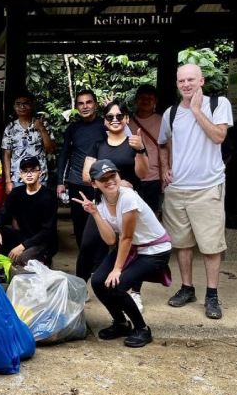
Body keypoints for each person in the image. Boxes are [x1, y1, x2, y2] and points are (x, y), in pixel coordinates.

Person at [158, 64, 233, 319]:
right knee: (182, 243)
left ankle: (212, 295)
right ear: (177, 84)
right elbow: (162, 144)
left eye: (191, 79)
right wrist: (165, 169)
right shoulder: (170, 113)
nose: (186, 84)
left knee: (211, 245)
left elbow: (219, 136)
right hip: (177, 188)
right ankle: (187, 288)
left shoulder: (218, 104)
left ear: (201, 81)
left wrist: (197, 110)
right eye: (182, 81)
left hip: (208, 187)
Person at [73, 159, 172, 348]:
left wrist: (117, 269)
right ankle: (121, 324)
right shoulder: (100, 201)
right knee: (97, 281)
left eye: (113, 175)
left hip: (154, 250)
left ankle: (142, 329)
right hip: (133, 247)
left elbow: (126, 237)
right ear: (94, 184)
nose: (110, 181)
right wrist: (95, 213)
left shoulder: (128, 198)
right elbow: (110, 239)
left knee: (116, 286)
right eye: (103, 179)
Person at [80, 100, 149, 308]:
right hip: (103, 203)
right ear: (105, 121)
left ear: (126, 118)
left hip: (129, 204)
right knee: (88, 245)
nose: (115, 120)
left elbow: (142, 173)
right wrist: (117, 183)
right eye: (110, 117)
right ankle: (79, 288)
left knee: (134, 246)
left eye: (119, 116)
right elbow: (86, 175)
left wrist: (140, 150)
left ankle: (135, 292)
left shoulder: (134, 143)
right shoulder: (98, 145)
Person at [56, 90, 107, 250]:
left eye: (88, 102)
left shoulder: (105, 125)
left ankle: (100, 260)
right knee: (79, 225)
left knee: (101, 222)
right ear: (77, 107)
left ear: (96, 105)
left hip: (100, 183)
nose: (85, 106)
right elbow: (64, 155)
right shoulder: (73, 128)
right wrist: (60, 182)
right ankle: (84, 256)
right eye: (81, 103)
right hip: (76, 182)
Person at [0, 156, 57, 270]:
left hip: (43, 242)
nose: (29, 174)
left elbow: (47, 231)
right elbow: (2, 213)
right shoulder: (16, 193)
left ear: (40, 173)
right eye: (25, 171)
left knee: (23, 258)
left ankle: (44, 261)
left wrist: (22, 247)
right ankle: (7, 258)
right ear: (20, 175)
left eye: (33, 171)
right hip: (24, 236)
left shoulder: (49, 196)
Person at [2, 91, 55, 191]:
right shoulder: (10, 128)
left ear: (32, 105)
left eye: (26, 103)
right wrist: (8, 181)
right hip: (18, 178)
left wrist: (42, 129)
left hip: (40, 177)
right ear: (14, 106)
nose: (22, 107)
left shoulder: (43, 124)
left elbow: (51, 149)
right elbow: (6, 155)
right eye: (18, 104)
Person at [128, 85, 164, 213]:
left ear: (156, 100)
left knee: (152, 216)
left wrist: (164, 178)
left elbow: (167, 150)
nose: (146, 100)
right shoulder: (127, 123)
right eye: (142, 97)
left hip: (154, 178)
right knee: (132, 216)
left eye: (150, 98)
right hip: (132, 178)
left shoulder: (162, 121)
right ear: (136, 100)